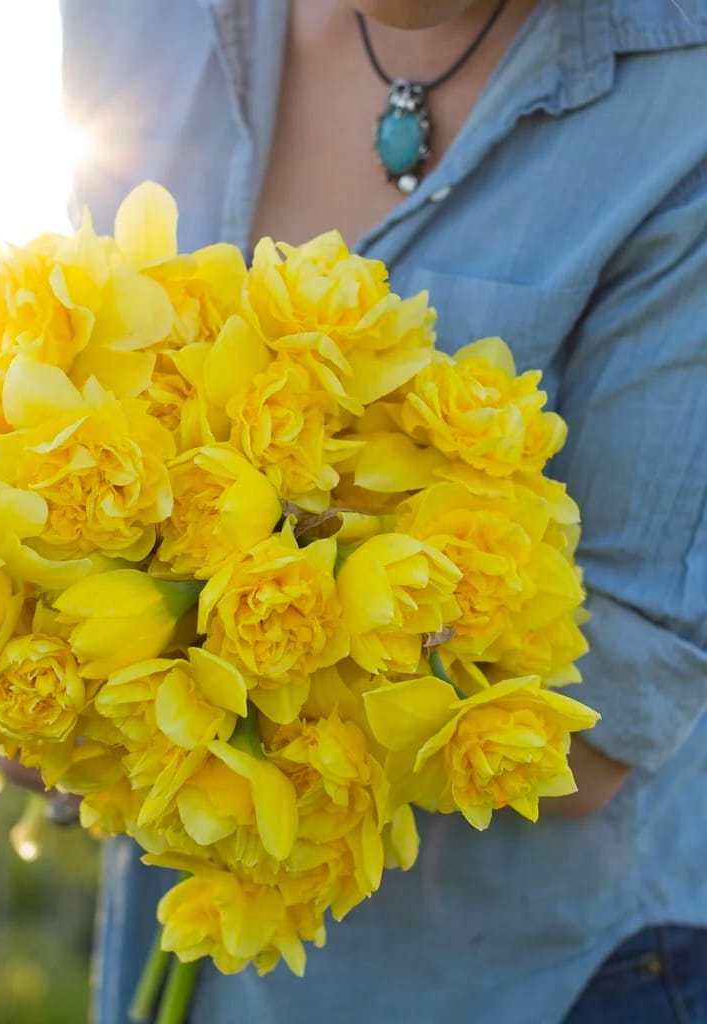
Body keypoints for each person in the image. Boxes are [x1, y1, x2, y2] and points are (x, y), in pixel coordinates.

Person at [57, 1, 707, 1021]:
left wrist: (145, 693)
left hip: (539, 982)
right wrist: (37, 660)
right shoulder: (139, 22)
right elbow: (80, 370)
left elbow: (595, 741)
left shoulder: (682, 87)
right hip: (199, 943)